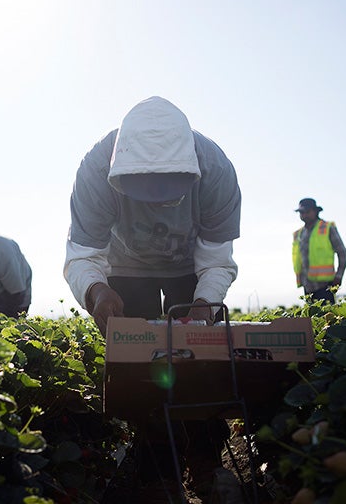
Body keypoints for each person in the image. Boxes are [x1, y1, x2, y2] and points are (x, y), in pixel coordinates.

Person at [63, 96, 241, 501]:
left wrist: (203, 306)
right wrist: (97, 291)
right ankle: (158, 466)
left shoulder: (215, 171)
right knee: (141, 366)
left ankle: (206, 460)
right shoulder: (95, 171)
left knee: (201, 359)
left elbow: (216, 259)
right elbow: (84, 254)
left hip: (188, 264)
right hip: (125, 266)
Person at [292, 198, 346, 304]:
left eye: (307, 212)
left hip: (325, 286)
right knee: (311, 319)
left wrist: (339, 275)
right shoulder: (299, 234)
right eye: (301, 212)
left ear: (315, 211)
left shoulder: (327, 228)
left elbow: (342, 252)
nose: (304, 215)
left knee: (327, 318)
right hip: (307, 288)